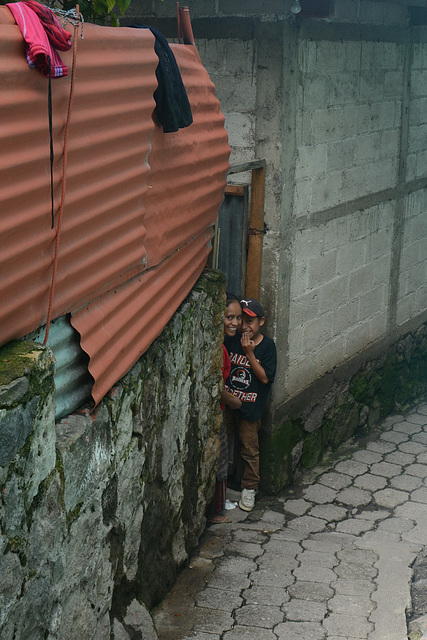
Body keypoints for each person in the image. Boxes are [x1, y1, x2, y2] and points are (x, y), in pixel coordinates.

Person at [224, 298, 277, 512]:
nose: (244, 326)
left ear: (261, 322)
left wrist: (250, 354)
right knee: (223, 444)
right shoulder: (231, 339)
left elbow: (265, 378)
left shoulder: (267, 346)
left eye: (250, 322)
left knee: (249, 449)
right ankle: (222, 484)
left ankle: (249, 487)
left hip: (251, 408)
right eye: (241, 320)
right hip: (229, 403)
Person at [207, 296, 242, 524]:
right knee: (219, 462)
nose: (235, 323)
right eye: (230, 317)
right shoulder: (218, 350)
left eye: (238, 318)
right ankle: (215, 512)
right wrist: (234, 402)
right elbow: (217, 388)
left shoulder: (221, 345)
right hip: (217, 410)